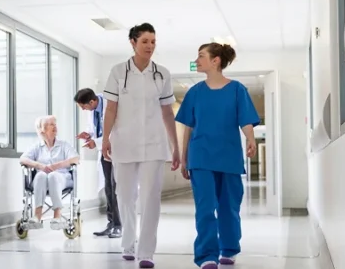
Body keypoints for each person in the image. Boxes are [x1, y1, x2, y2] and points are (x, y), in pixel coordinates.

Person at [101, 23, 181, 269]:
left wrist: (175, 146)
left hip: (154, 144)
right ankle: (128, 242)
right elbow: (111, 108)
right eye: (145, 41)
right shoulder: (118, 71)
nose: (150, 46)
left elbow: (167, 112)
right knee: (125, 196)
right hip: (124, 143)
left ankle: (146, 251)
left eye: (153, 41)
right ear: (133, 42)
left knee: (150, 198)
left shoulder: (162, 73)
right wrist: (105, 139)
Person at [174, 43, 259, 269]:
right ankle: (206, 255)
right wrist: (184, 157)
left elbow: (245, 119)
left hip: (229, 156)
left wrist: (251, 139)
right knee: (205, 207)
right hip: (200, 156)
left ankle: (229, 248)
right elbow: (188, 127)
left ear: (216, 61)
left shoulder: (237, 90)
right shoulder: (195, 92)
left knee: (228, 206)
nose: (197, 60)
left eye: (201, 56)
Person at [19, 115, 80, 230]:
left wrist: (55, 166)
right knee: (40, 175)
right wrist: (39, 166)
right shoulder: (37, 146)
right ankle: (37, 215)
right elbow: (22, 159)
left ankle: (57, 215)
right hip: (41, 182)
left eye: (55, 124)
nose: (55, 126)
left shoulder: (63, 145)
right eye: (51, 124)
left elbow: (76, 159)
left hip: (62, 178)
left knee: (53, 175)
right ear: (42, 129)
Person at [75, 88, 121, 238]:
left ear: (92, 101)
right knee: (108, 188)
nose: (83, 110)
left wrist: (96, 142)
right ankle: (111, 223)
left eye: (84, 106)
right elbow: (97, 130)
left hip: (116, 150)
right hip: (105, 152)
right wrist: (89, 135)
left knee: (116, 188)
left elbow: (115, 131)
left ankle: (119, 225)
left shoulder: (111, 105)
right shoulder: (93, 110)